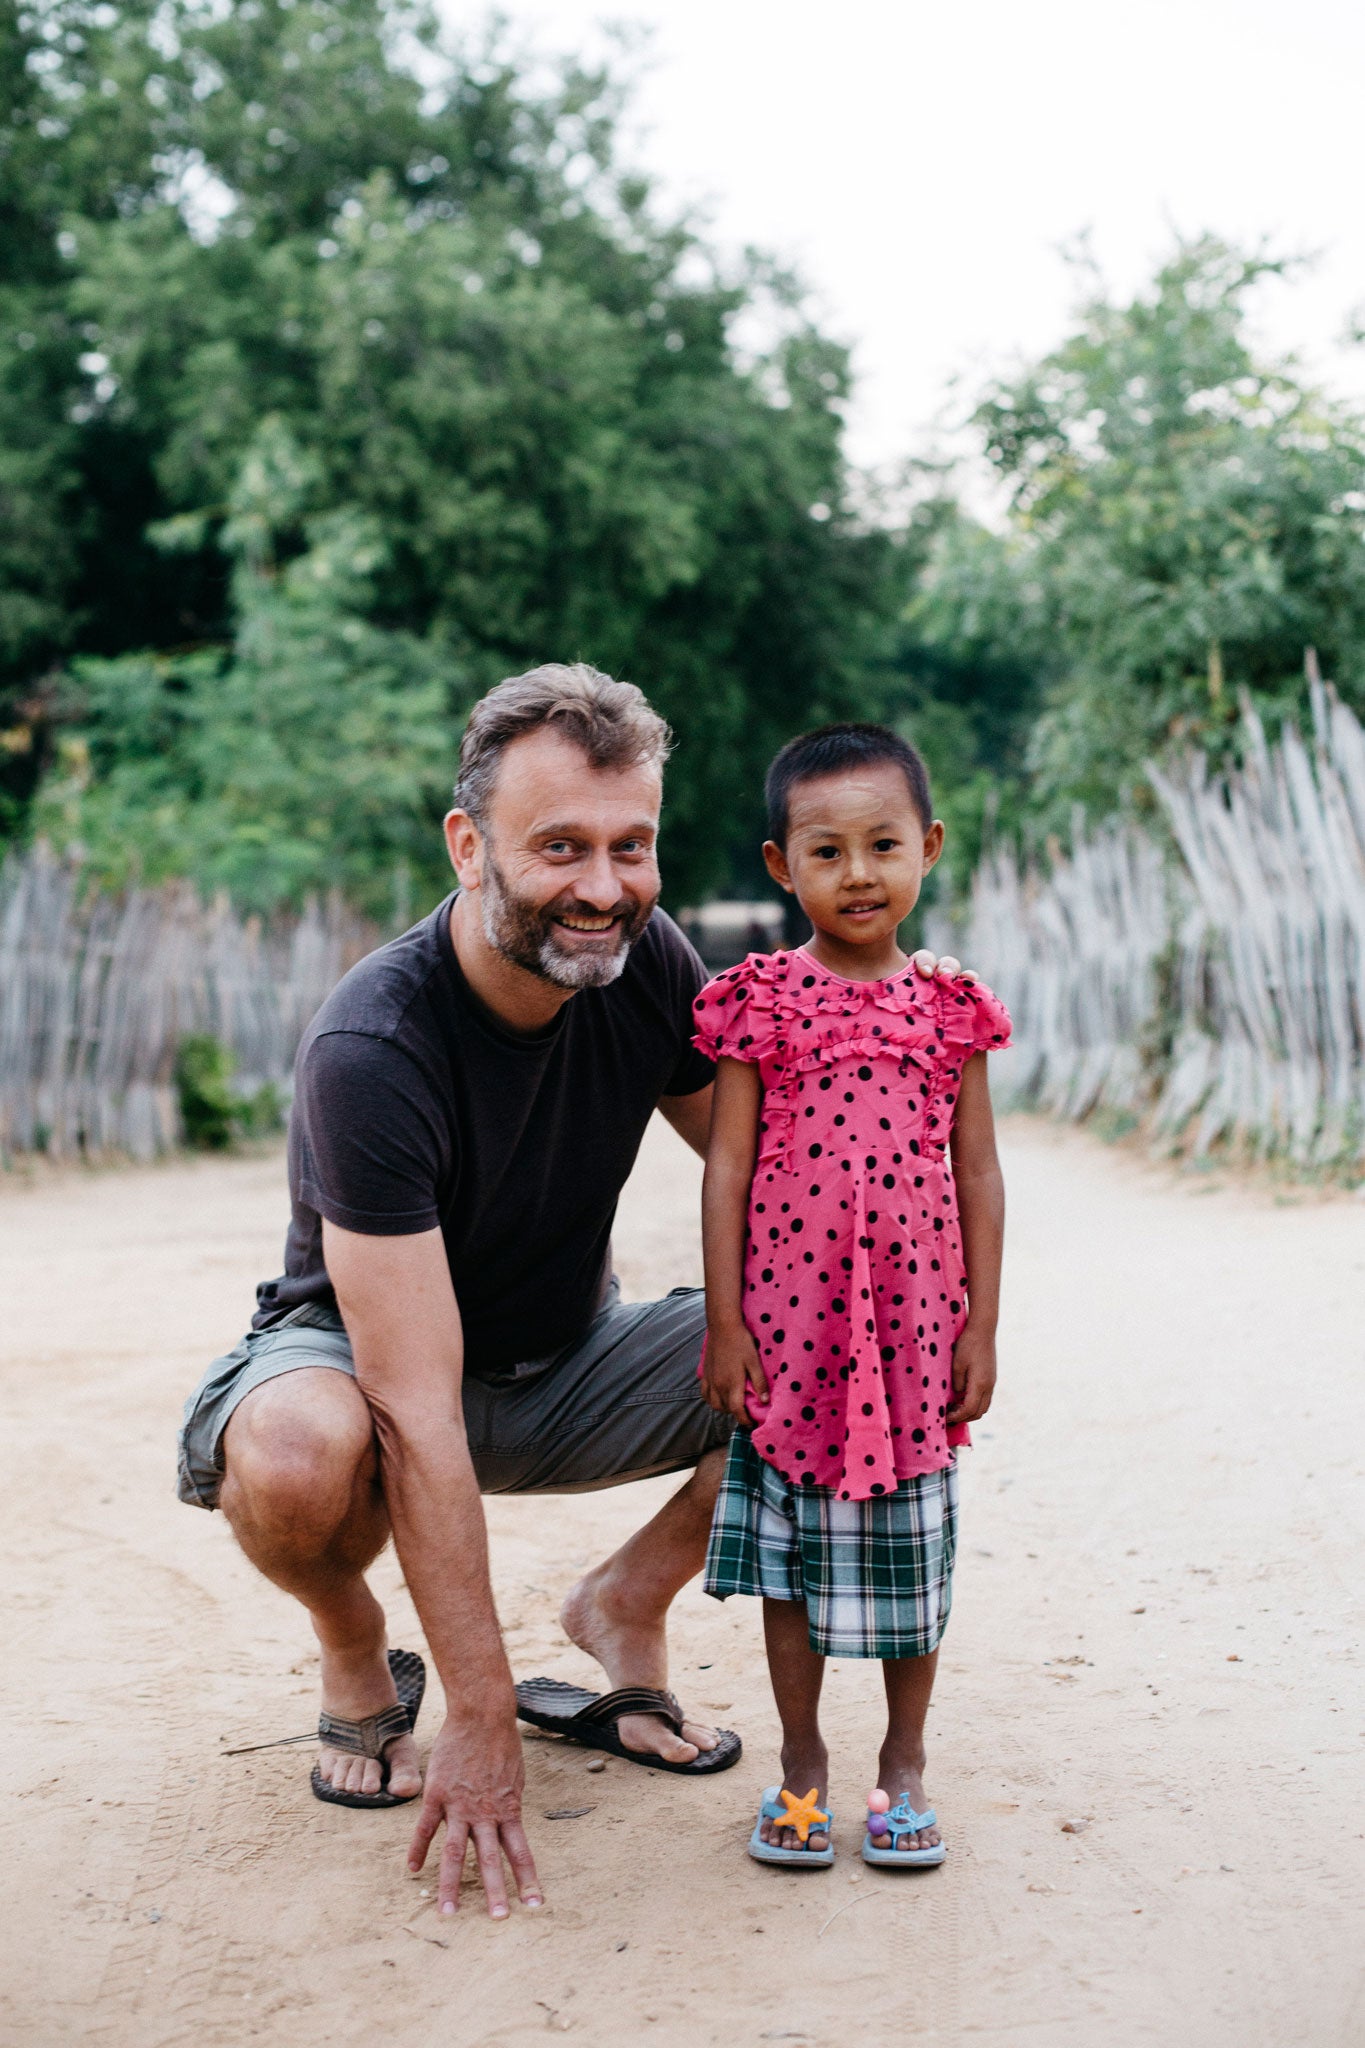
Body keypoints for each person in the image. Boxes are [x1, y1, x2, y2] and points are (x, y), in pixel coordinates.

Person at [175, 665, 974, 1919]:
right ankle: (350, 1650)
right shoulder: (373, 1044)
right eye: (559, 846)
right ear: (469, 843)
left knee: (825, 1354)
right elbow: (415, 1407)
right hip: (365, 1370)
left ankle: (622, 1602)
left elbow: (780, 1172)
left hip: (570, 1355)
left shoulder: (648, 962)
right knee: (290, 1452)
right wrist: (484, 1721)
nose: (602, 887)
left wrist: (880, 1007)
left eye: (630, 846)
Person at [693, 722, 1009, 1869]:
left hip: (916, 1339)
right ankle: (802, 1767)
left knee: (911, 1560)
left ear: (927, 847)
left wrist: (983, 1321)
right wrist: (725, 1322)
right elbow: (728, 1167)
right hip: (789, 1332)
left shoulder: (952, 1006)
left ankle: (904, 1765)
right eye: (827, 851)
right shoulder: (756, 1000)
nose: (859, 873)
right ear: (783, 866)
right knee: (795, 1568)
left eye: (884, 844)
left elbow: (977, 1168)